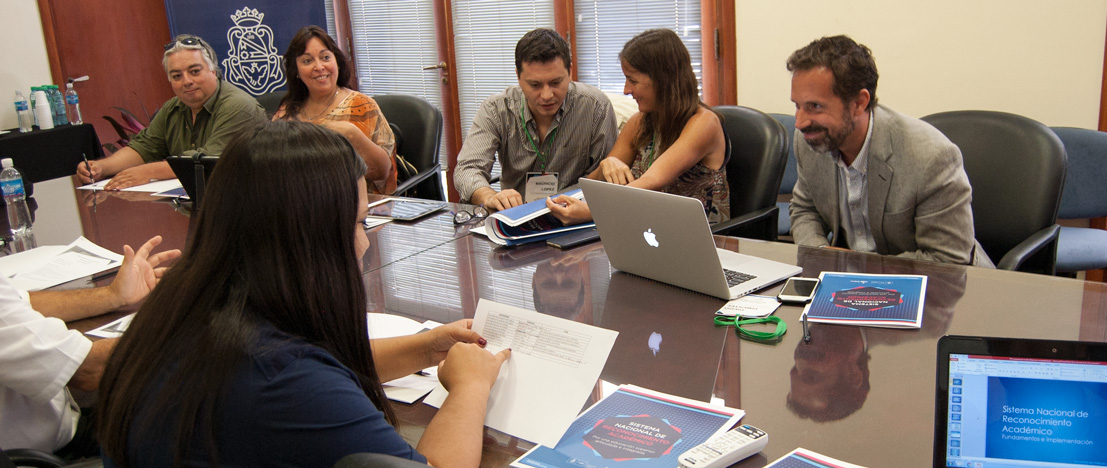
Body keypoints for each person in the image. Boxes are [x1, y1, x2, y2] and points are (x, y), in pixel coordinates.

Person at [96, 121, 509, 467]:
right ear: (311, 239)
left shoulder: (187, 310)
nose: (364, 245)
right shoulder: (285, 383)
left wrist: (425, 349)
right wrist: (470, 385)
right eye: (359, 224)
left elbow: (326, 369)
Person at [786, 35, 993, 267]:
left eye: (815, 106)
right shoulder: (810, 140)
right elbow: (805, 209)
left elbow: (947, 260)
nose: (800, 122)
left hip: (943, 288)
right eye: (797, 105)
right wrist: (822, 253)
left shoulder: (931, 157)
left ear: (859, 103)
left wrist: (853, 265)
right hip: (848, 284)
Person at [0, 236, 179, 457]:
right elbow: (87, 370)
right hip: (43, 452)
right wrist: (181, 321)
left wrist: (113, 295)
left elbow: (21, 302)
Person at [546, 29, 730, 225]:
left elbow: (652, 181)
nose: (626, 90)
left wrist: (593, 212)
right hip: (648, 232)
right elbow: (594, 186)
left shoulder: (704, 124)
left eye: (633, 80)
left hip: (698, 238)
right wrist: (604, 166)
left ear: (663, 80)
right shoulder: (640, 122)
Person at [75, 34, 267, 190]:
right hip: (194, 204)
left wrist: (146, 172)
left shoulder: (239, 106)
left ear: (213, 71)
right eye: (177, 76)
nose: (186, 81)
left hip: (242, 205)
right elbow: (145, 147)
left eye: (194, 71)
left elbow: (207, 162)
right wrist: (101, 167)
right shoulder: (172, 108)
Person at [453, 28, 617, 210]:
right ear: (518, 76)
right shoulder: (496, 109)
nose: (547, 95)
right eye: (535, 85)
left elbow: (604, 179)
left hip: (575, 216)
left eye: (556, 83)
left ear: (570, 72)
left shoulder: (596, 107)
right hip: (515, 216)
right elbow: (466, 169)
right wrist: (488, 195)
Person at [274, 26, 398, 194]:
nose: (319, 67)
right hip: (300, 204)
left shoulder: (361, 106)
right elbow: (273, 167)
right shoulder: (287, 111)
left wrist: (352, 134)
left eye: (325, 57)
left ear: (337, 62)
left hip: (356, 204)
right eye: (307, 61)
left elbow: (383, 172)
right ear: (296, 71)